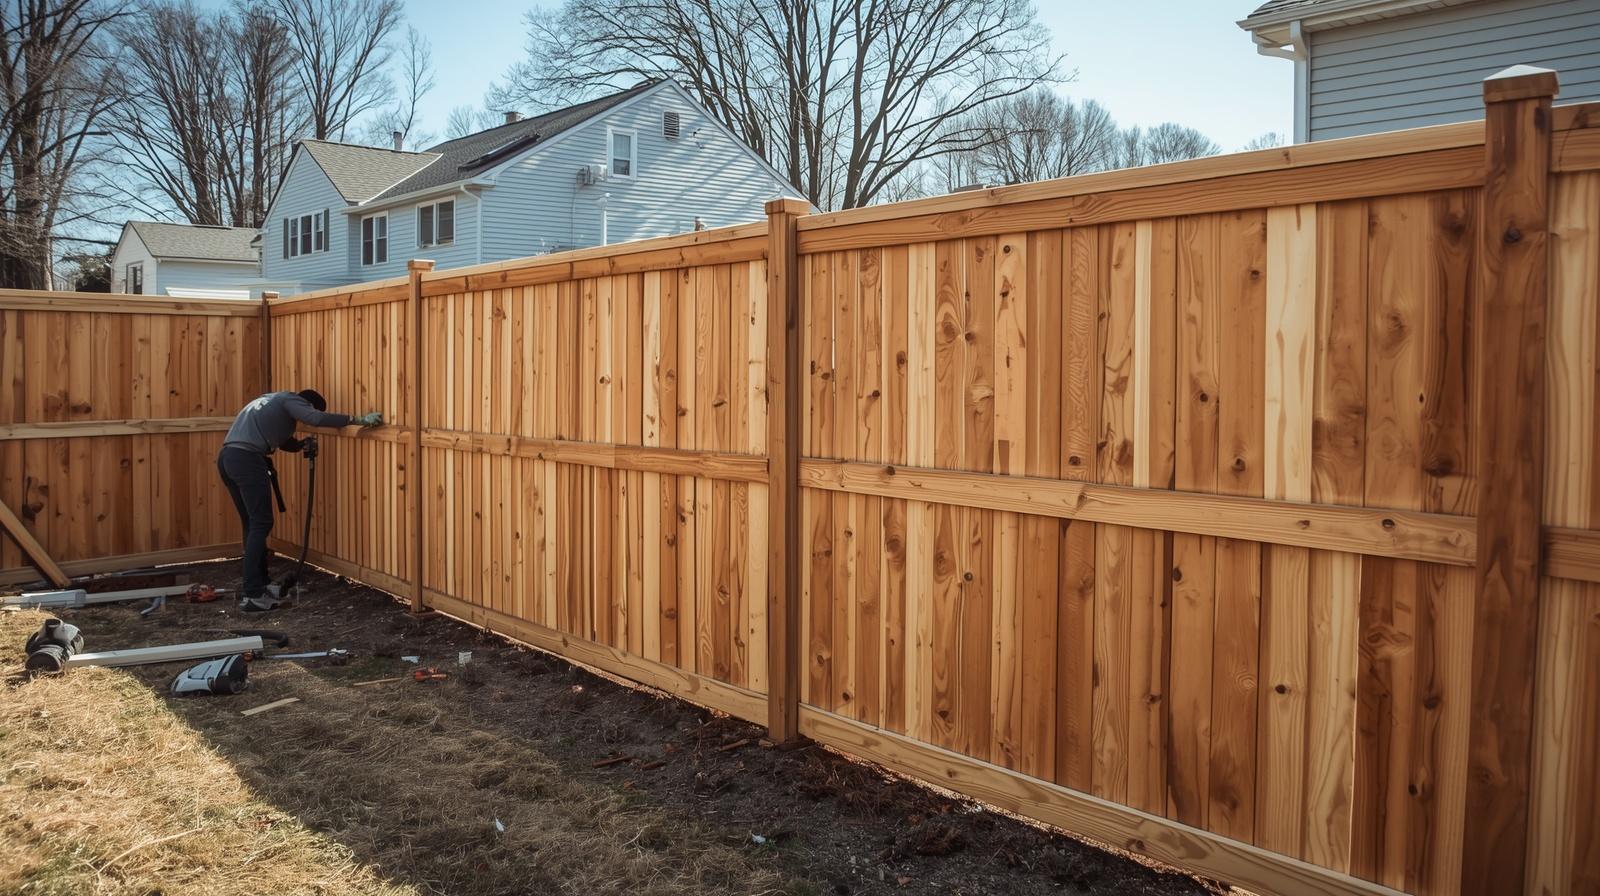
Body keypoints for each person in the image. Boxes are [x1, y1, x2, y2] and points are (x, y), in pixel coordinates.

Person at [218, 390, 381, 611]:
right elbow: (316, 418)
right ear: (306, 403)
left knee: (252, 524)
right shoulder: (290, 399)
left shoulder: (270, 402)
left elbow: (282, 440)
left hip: (229, 457)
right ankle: (254, 593)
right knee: (261, 524)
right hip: (247, 460)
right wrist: (356, 419)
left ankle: (260, 584)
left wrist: (300, 445)